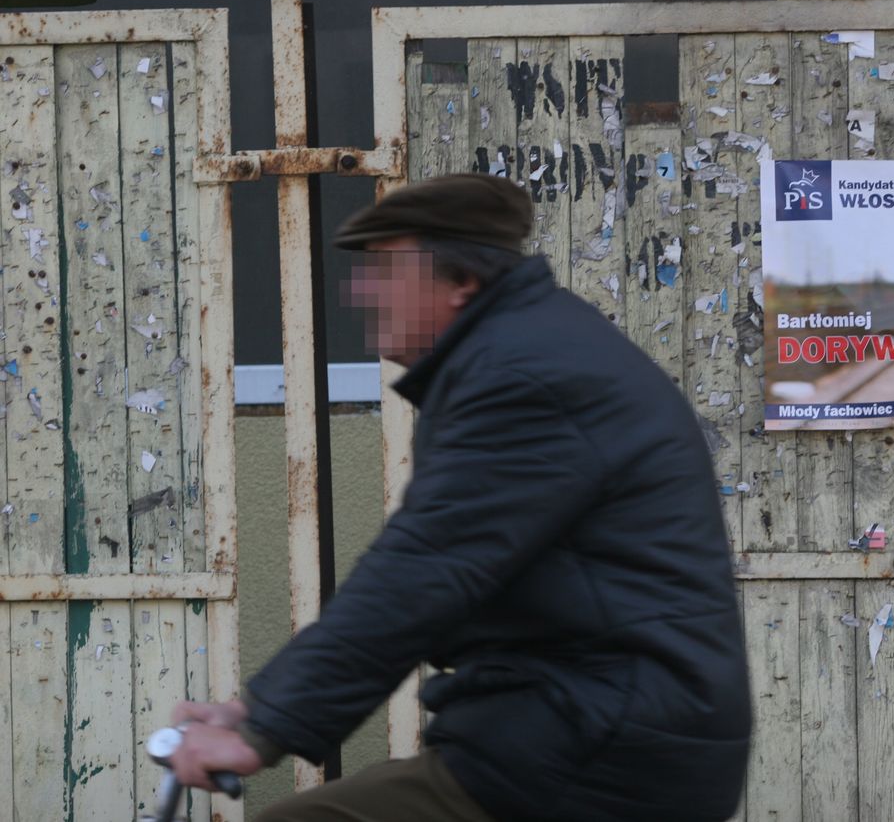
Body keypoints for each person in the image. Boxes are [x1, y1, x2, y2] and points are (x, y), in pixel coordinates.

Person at [168, 173, 752, 821]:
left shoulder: (523, 376)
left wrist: (263, 729)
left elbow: (425, 570)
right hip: (596, 723)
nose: (360, 292)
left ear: (461, 281)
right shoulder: (523, 349)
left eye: (384, 269)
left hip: (596, 743)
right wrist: (253, 709)